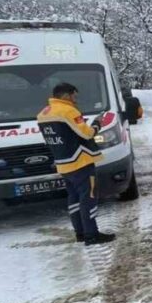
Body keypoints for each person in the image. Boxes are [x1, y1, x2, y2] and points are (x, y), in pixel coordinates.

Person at [36, 83, 116, 246]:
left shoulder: (44, 113)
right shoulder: (68, 111)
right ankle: (91, 235)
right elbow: (87, 134)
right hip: (80, 162)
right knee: (88, 198)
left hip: (63, 163)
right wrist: (97, 123)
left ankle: (80, 233)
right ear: (66, 95)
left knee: (74, 198)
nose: (75, 100)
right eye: (74, 96)